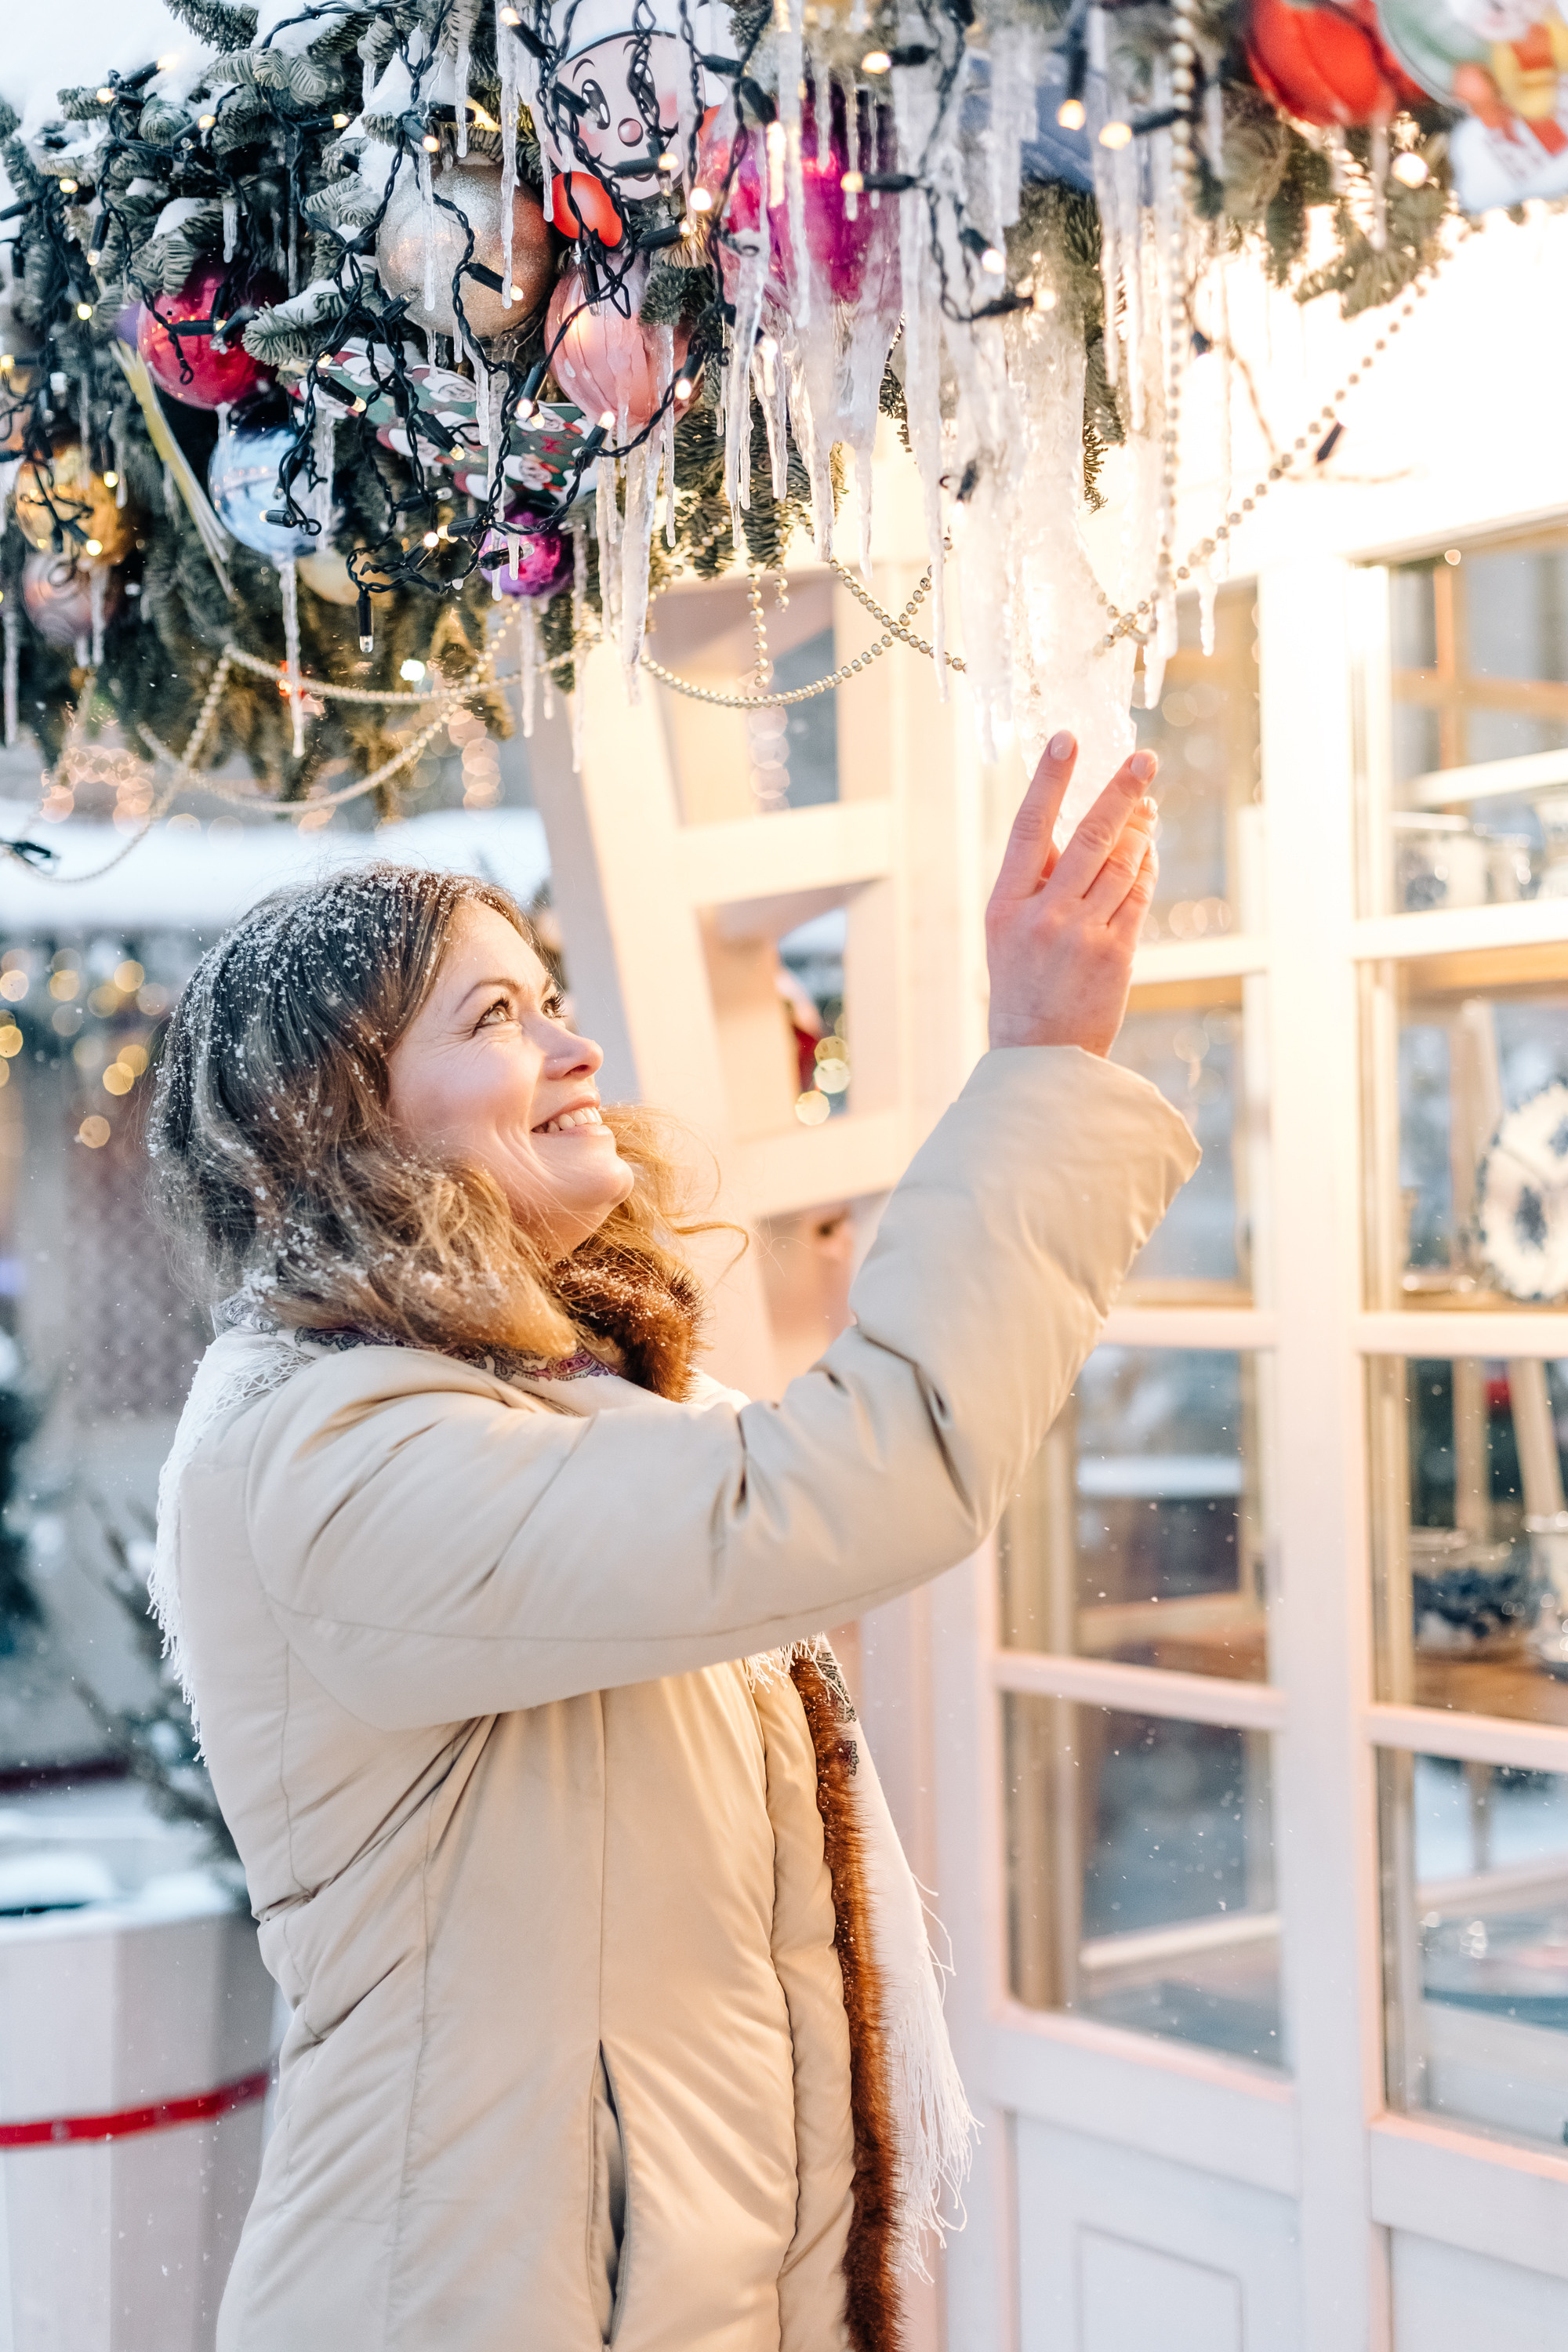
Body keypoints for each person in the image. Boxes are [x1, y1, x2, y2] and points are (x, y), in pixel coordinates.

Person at [147, 732, 1197, 2352]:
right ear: (331, 1120)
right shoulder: (326, 1451)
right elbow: (838, 1491)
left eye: (549, 996)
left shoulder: (566, 1394)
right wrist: (1043, 1066)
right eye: (493, 1018)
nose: (572, 1048)